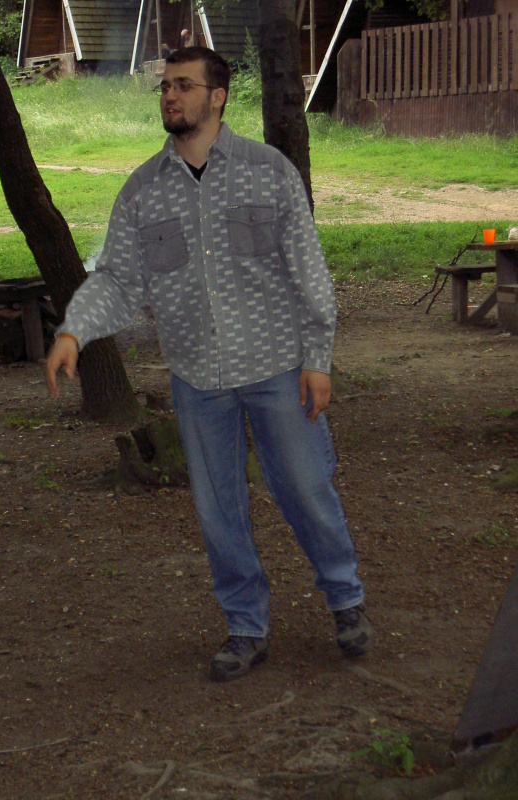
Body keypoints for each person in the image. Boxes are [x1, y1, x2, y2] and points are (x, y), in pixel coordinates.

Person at [46, 46, 374, 683]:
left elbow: (309, 271)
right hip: (197, 378)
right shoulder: (142, 191)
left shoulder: (268, 171)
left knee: (306, 489)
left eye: (184, 85)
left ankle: (345, 600)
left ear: (217, 96)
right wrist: (73, 331)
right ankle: (246, 626)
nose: (170, 96)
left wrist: (318, 359)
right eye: (165, 86)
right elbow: (118, 280)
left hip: (278, 367)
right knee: (218, 509)